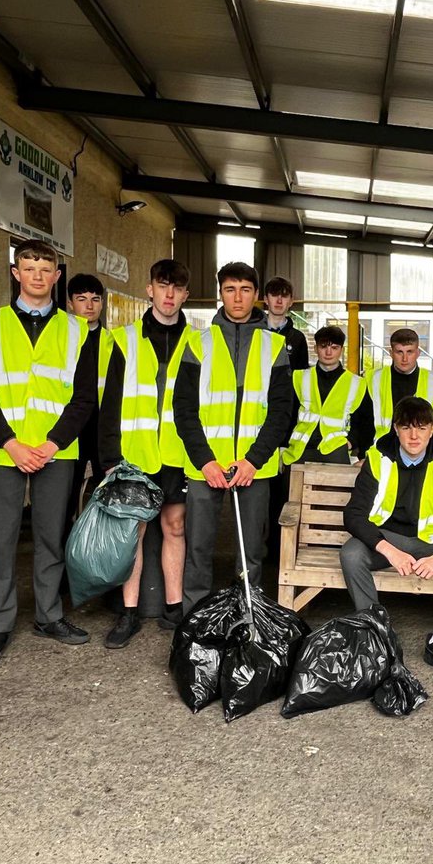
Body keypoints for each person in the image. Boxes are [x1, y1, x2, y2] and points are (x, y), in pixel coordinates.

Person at [0, 239, 99, 664]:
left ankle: (48, 615)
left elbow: (83, 399)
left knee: (50, 537)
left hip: (54, 451)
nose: (38, 276)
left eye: (46, 269)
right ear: (16, 273)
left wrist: (49, 444)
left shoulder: (77, 329)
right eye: (29, 268)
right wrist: (11, 443)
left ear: (57, 276)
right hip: (1, 450)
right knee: (2, 541)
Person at [340, 396, 433, 684]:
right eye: (406, 427)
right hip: (388, 541)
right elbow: (354, 515)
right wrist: (388, 550)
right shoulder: (376, 459)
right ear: (395, 428)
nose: (413, 435)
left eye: (421, 427)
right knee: (351, 554)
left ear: (432, 429)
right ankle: (377, 637)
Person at [173, 262, 292, 611]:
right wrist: (205, 460)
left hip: (253, 468)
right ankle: (194, 617)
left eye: (244, 289)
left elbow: (281, 411)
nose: (237, 297)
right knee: (198, 548)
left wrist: (254, 460)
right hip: (205, 465)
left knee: (251, 550)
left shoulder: (275, 346)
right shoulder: (197, 343)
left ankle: (248, 616)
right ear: (219, 294)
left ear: (256, 295)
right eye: (229, 289)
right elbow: (184, 409)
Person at [99, 259, 196, 645]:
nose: (169, 294)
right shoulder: (123, 339)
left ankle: (174, 608)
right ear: (149, 289)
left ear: (186, 295)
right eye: (162, 285)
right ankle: (128, 613)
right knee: (133, 532)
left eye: (177, 288)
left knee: (175, 527)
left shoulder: (199, 342)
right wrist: (108, 461)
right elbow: (110, 404)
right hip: (135, 454)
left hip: (177, 454)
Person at [262, 276, 309, 565]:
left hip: (285, 425)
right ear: (265, 300)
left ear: (291, 301)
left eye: (284, 296)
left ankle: (279, 552)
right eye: (274, 295)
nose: (279, 301)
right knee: (256, 494)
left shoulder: (298, 339)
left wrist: (290, 431)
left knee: (281, 492)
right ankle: (257, 549)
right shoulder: (255, 332)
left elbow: (301, 386)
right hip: (255, 421)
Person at [283, 325, 372, 466]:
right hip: (299, 450)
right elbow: (287, 414)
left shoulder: (357, 383)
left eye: (334, 348)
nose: (328, 352)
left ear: (342, 350)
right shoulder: (298, 377)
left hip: (336, 450)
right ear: (315, 348)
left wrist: (352, 443)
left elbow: (365, 422)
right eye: (323, 346)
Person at [64, 273, 107, 529]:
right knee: (65, 501)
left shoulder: (114, 343)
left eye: (95, 299)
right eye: (81, 299)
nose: (89, 306)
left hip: (102, 431)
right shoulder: (61, 340)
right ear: (71, 303)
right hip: (70, 432)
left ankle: (103, 561)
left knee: (107, 498)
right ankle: (64, 563)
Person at [368, 328, 433, 441]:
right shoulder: (374, 379)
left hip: (422, 450)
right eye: (399, 352)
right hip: (381, 448)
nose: (405, 358)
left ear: (418, 353)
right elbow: (364, 421)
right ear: (391, 353)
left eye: (409, 352)